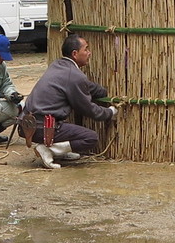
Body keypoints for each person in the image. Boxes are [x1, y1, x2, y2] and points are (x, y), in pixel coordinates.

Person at [20, 33, 116, 168]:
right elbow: (88, 109)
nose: (89, 53)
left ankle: (60, 150)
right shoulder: (74, 75)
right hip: (42, 127)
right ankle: (49, 149)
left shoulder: (57, 65)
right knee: (90, 138)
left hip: (25, 124)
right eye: (86, 49)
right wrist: (110, 112)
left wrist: (103, 92)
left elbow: (85, 86)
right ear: (75, 54)